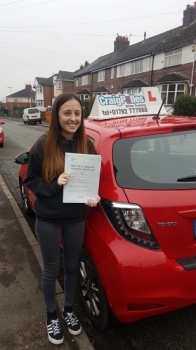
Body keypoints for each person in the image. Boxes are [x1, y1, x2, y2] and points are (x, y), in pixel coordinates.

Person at [24, 92, 100, 345]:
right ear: (57, 115)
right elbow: (30, 179)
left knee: (71, 269)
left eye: (77, 113)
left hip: (76, 217)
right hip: (48, 219)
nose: (73, 118)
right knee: (50, 270)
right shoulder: (44, 145)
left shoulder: (86, 145)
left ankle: (68, 310)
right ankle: (51, 316)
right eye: (67, 113)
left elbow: (92, 180)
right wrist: (55, 184)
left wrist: (92, 196)